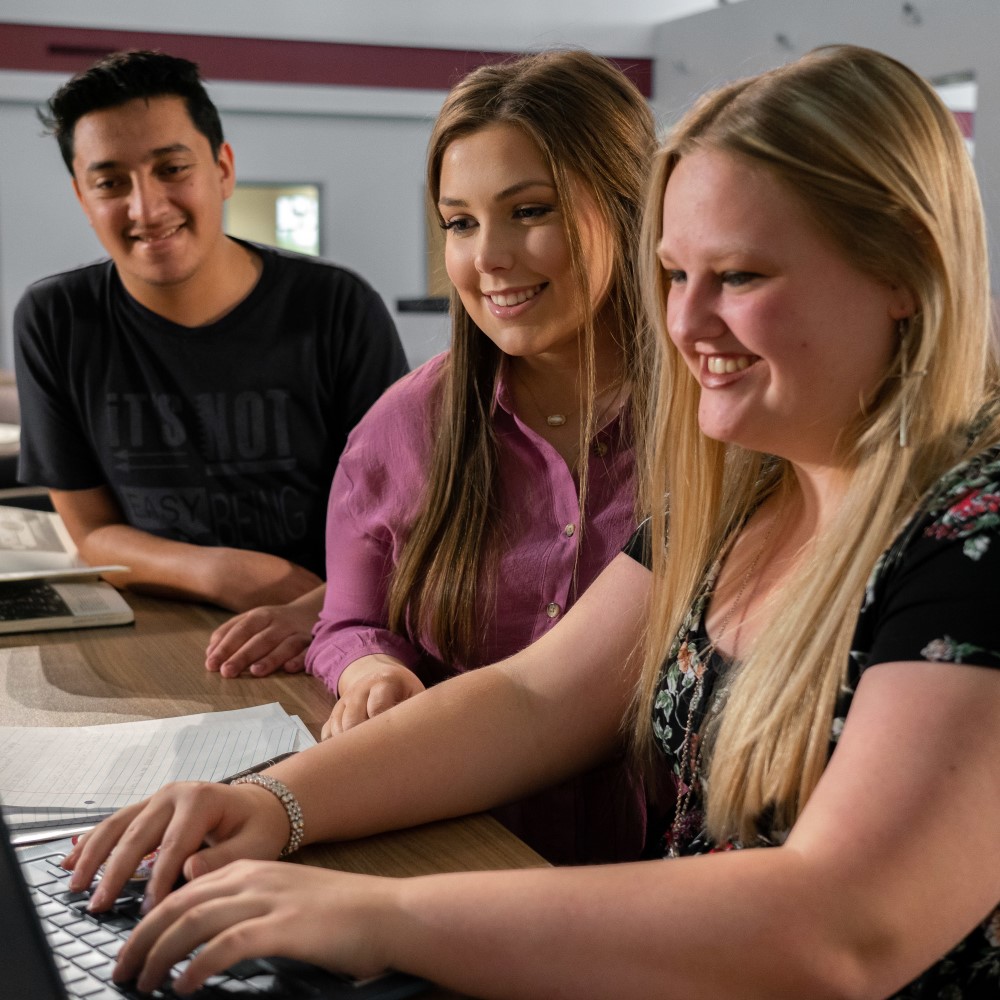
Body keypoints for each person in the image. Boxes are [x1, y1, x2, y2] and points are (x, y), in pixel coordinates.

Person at [66, 45, 1000, 999]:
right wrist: (269, 803)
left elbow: (842, 928)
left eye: (742, 276)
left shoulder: (976, 528)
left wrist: (384, 917)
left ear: (903, 270)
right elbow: (537, 702)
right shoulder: (740, 492)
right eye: (675, 276)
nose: (686, 324)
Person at [206, 50, 657, 865]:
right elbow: (349, 619)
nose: (488, 258)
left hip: (670, 881)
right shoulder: (402, 429)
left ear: (631, 207)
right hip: (454, 849)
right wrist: (370, 671)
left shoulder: (720, 430)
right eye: (460, 223)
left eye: (530, 210)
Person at [13, 50, 408, 615]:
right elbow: (91, 530)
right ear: (82, 196)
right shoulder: (55, 319)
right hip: (158, 619)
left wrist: (323, 612)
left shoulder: (336, 307)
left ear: (222, 170)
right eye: (110, 182)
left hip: (334, 617)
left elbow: (401, 517)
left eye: (172, 169)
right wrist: (220, 571)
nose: (146, 208)